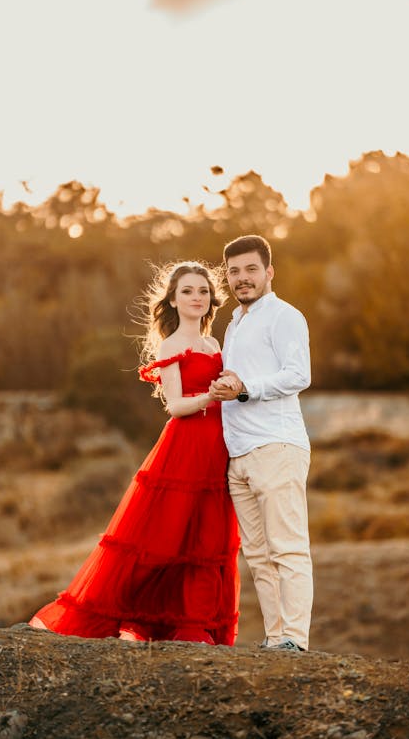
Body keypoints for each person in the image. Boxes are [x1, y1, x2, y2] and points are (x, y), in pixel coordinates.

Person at [29, 261, 240, 645]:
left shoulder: (214, 344)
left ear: (211, 300)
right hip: (186, 446)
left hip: (217, 444)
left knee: (206, 539)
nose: (197, 298)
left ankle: (193, 624)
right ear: (173, 300)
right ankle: (126, 615)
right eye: (188, 292)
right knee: (166, 536)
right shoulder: (173, 345)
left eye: (203, 292)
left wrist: (230, 384)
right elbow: (175, 406)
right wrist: (213, 394)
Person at [208, 235, 312, 652]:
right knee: (257, 556)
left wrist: (245, 388)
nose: (241, 278)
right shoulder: (234, 324)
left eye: (250, 269)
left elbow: (298, 374)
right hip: (239, 455)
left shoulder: (284, 316)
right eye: (233, 271)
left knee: (287, 548)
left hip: (277, 446)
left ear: (269, 272)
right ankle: (275, 640)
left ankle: (296, 640)